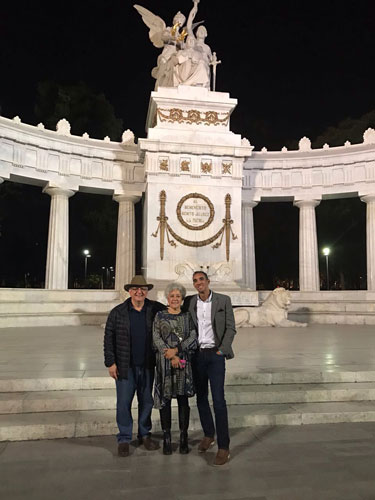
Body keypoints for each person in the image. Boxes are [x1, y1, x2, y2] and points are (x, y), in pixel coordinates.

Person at [104, 275, 164, 457]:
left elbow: (174, 311)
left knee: (146, 401)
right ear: (129, 291)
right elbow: (109, 338)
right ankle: (124, 438)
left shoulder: (154, 309)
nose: (139, 292)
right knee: (124, 403)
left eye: (143, 289)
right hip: (125, 366)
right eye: (136, 289)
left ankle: (144, 434)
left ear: (147, 291)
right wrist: (110, 362)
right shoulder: (118, 312)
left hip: (147, 365)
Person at [183, 271, 236, 466]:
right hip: (197, 356)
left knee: (219, 400)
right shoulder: (189, 302)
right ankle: (208, 434)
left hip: (215, 355)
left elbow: (231, 327)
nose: (198, 283)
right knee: (201, 398)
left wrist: (222, 350)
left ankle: (224, 446)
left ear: (208, 281)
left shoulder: (223, 300)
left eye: (201, 280)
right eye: (195, 281)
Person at [153, 282, 198, 455]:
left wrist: (177, 352)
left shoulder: (187, 317)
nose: (174, 299)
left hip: (182, 363)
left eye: (178, 296)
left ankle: (184, 436)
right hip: (165, 362)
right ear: (167, 298)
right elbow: (156, 337)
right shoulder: (159, 316)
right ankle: (167, 438)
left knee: (182, 400)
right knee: (165, 400)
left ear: (182, 298)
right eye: (172, 296)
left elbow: (193, 337)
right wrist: (170, 355)